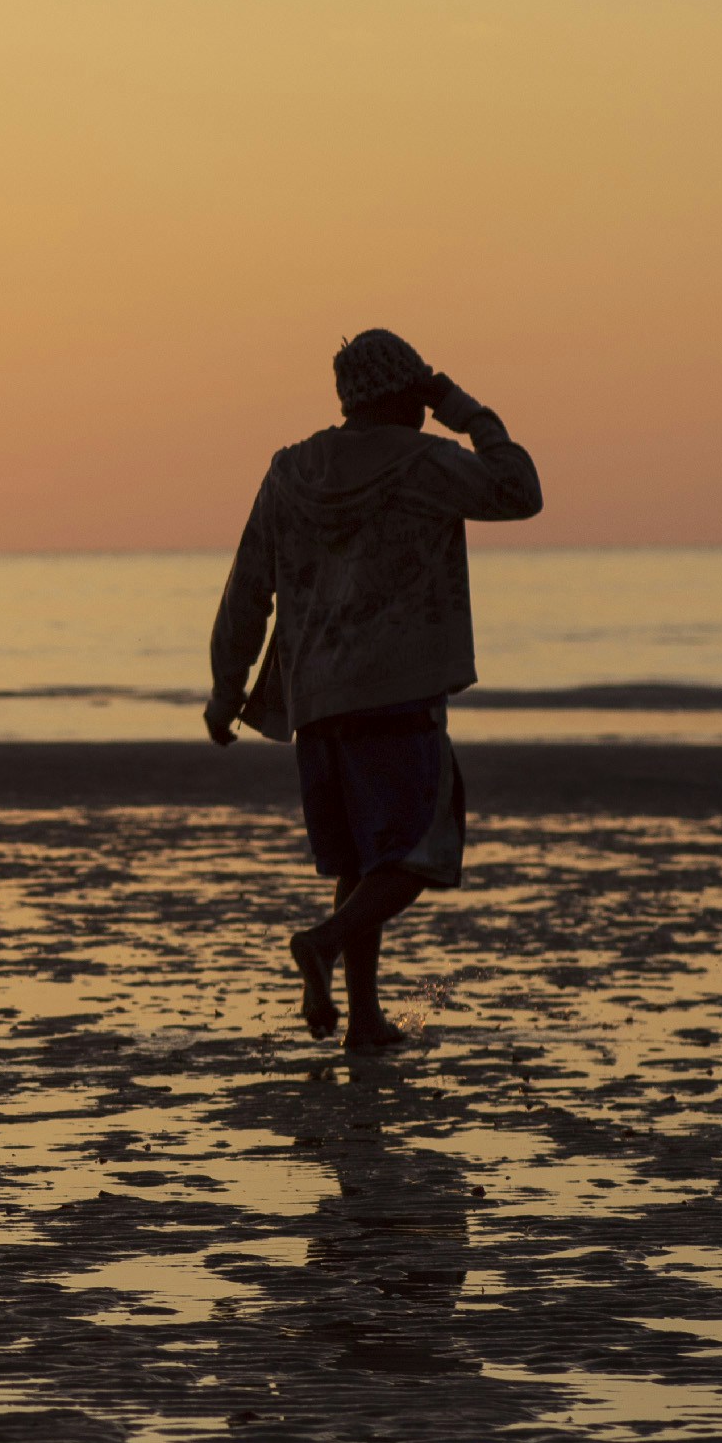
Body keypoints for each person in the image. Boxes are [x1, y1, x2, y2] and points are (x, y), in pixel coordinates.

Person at [205, 328, 542, 1049]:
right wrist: (460, 405)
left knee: (361, 860)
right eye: (418, 389)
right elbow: (520, 490)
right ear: (407, 394)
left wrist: (225, 689)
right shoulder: (425, 462)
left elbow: (248, 588)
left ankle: (363, 1017)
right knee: (421, 849)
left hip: (316, 701)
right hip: (397, 693)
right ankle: (322, 943)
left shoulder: (290, 470)